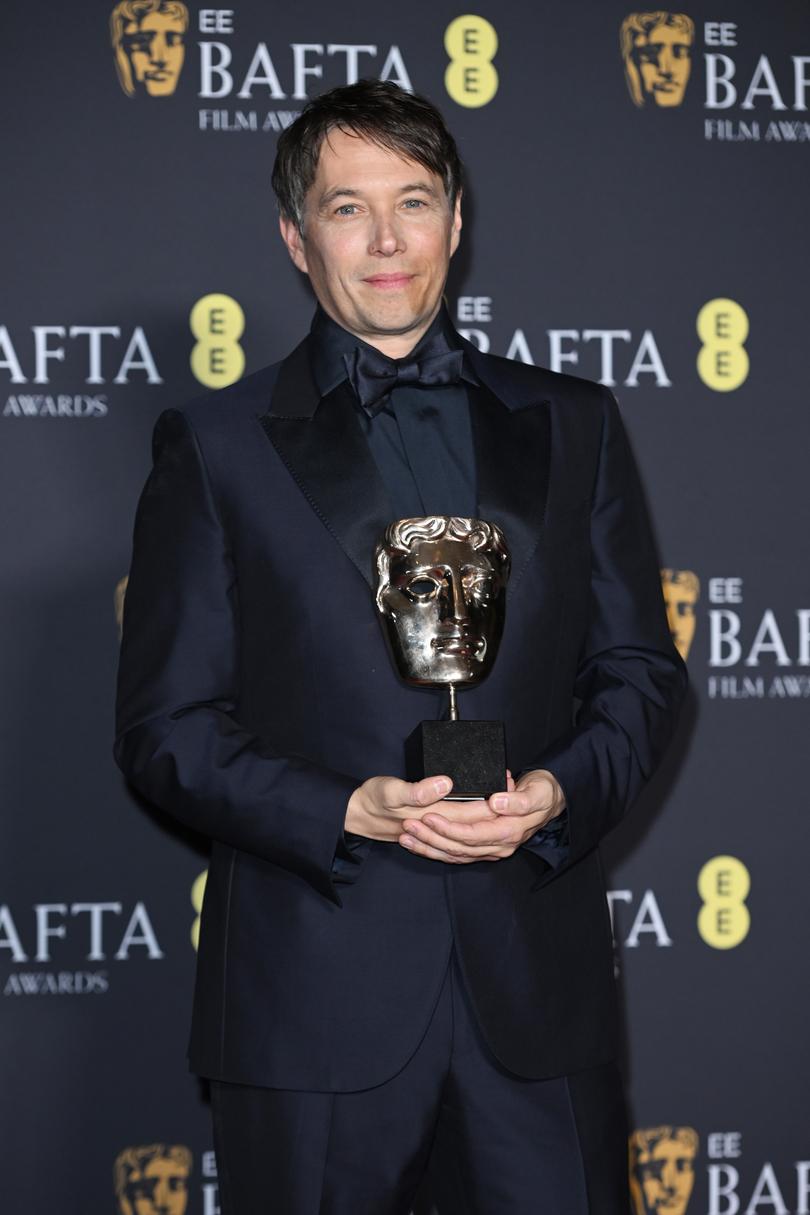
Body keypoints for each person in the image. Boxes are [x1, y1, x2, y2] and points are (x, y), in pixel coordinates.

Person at [114, 80, 687, 1214]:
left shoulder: (575, 423)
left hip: (536, 994)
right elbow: (165, 731)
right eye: (346, 208)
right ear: (294, 235)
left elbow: (637, 674)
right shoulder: (218, 445)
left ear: (457, 219)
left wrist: (559, 794)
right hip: (311, 1003)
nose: (386, 241)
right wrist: (346, 809)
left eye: (413, 201)